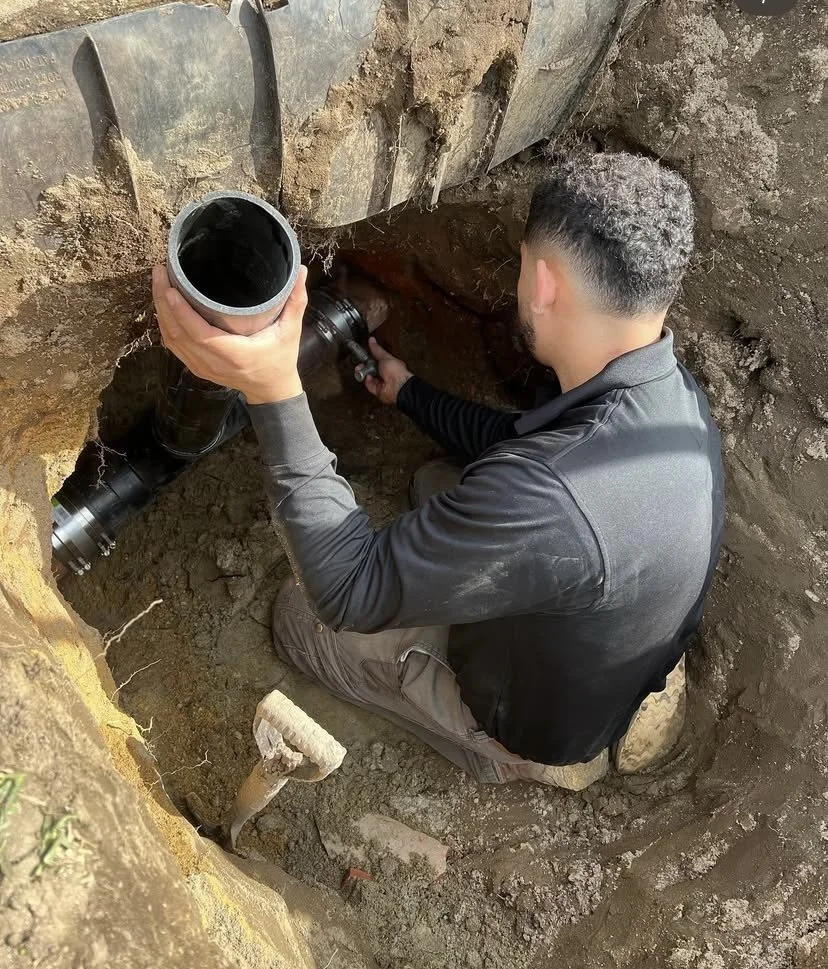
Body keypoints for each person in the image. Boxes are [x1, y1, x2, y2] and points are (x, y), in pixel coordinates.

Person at [152, 151, 724, 789]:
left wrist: (272, 388)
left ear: (542, 284)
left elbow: (349, 590)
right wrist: (413, 394)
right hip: (597, 610)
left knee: (298, 616)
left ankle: (497, 755)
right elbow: (518, 441)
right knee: (433, 483)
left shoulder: (545, 500)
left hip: (533, 719)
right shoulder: (670, 403)